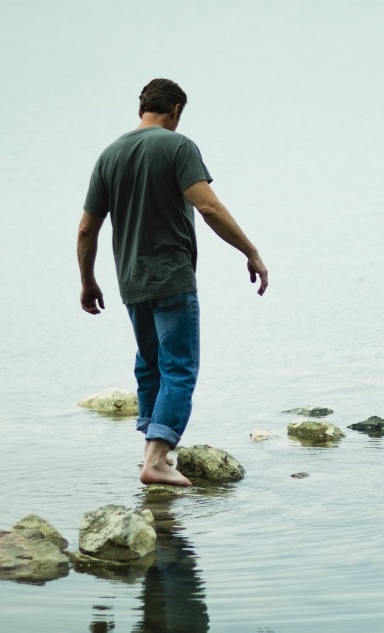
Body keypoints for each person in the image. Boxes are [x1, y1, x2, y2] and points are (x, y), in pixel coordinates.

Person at [77, 78, 268, 487]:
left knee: (150, 366)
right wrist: (249, 251)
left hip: (131, 282)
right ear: (176, 109)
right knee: (179, 367)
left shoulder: (109, 155)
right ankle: (158, 460)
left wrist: (88, 281)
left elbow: (86, 231)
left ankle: (151, 455)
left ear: (140, 108)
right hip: (172, 278)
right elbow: (208, 206)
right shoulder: (178, 146)